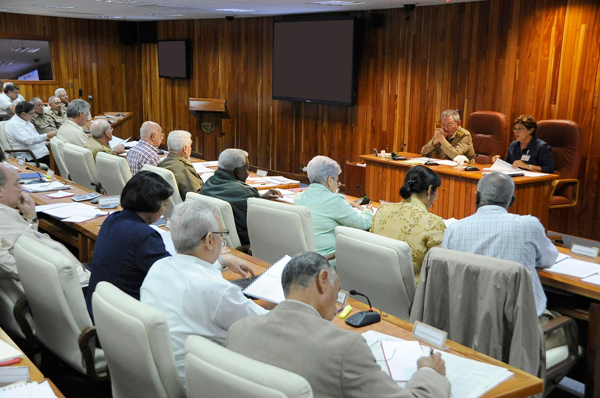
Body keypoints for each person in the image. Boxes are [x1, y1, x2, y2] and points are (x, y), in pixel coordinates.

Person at [227, 251, 450, 398]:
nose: (336, 309)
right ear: (322, 281)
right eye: (336, 294)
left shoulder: (239, 330)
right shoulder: (345, 348)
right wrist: (429, 373)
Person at [141, 200, 265, 385]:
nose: (222, 239)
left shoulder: (159, 267)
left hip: (156, 377)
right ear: (208, 240)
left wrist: (222, 261)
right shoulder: (218, 290)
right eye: (221, 235)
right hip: (200, 384)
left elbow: (191, 272)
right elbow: (265, 326)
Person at [442, 172, 557, 316]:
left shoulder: (453, 230)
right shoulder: (529, 225)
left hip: (467, 317)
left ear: (477, 196)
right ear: (512, 201)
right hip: (519, 321)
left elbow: (446, 274)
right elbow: (548, 260)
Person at [0, 163, 90, 285]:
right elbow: (7, 264)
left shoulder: (6, 213)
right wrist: (50, 277)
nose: (21, 189)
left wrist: (30, 216)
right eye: (16, 184)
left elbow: (27, 240)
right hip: (72, 283)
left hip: (69, 276)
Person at [370, 165, 445, 282]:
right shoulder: (433, 222)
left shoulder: (382, 210)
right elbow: (440, 269)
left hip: (375, 280)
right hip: (412, 291)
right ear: (430, 190)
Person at [294, 155, 373, 264]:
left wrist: (343, 204)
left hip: (304, 258)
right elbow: (363, 223)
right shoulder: (335, 201)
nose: (337, 184)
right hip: (329, 261)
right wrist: (368, 210)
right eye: (337, 181)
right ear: (330, 179)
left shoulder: (298, 197)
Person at [200, 148, 281, 247]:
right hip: (246, 245)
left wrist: (260, 198)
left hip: (215, 240)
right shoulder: (246, 192)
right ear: (238, 171)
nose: (247, 173)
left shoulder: (207, 184)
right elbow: (262, 225)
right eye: (246, 169)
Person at [5, 101, 56, 165]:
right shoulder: (14, 124)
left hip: (39, 151)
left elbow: (34, 136)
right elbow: (28, 140)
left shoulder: (26, 120)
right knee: (57, 160)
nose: (33, 115)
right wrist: (47, 135)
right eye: (31, 113)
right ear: (23, 114)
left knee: (59, 151)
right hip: (30, 155)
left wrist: (45, 143)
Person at [158, 130, 203, 199]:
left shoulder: (161, 164)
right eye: (190, 146)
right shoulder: (184, 169)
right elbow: (196, 197)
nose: (191, 149)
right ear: (185, 149)